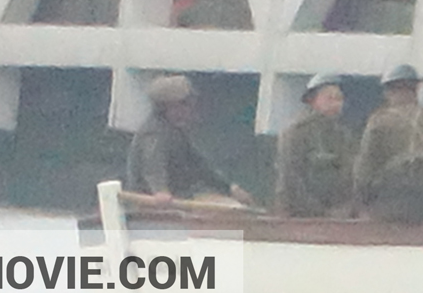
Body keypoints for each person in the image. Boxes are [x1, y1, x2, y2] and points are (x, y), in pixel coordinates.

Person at [123, 73, 253, 205]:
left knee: (235, 207)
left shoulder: (176, 132)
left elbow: (200, 166)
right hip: (151, 207)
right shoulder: (153, 133)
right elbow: (153, 164)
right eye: (184, 104)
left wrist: (230, 188)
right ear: (166, 107)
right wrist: (160, 190)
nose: (189, 109)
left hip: (181, 199)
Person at [353, 63, 423, 223]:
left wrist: (360, 205)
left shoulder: (380, 120)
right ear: (417, 89)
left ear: (388, 91)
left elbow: (364, 172)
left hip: (391, 205)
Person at [274, 72, 355, 217]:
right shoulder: (296, 132)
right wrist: (321, 213)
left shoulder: (343, 135)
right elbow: (291, 179)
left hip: (336, 215)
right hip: (298, 216)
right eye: (329, 98)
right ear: (312, 100)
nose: (336, 104)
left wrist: (345, 209)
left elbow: (349, 177)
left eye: (339, 99)